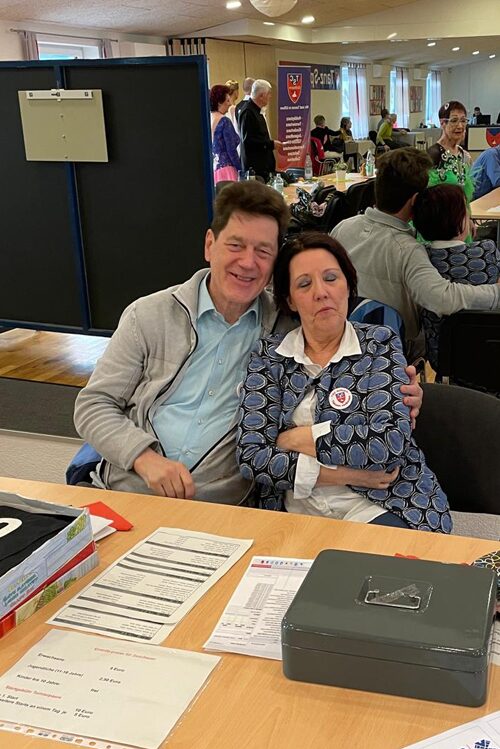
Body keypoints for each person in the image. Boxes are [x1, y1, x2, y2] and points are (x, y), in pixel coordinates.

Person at [74, 181, 422, 500]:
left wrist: (403, 391)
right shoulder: (150, 315)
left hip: (223, 506)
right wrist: (143, 458)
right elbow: (93, 405)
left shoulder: (286, 329)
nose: (248, 263)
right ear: (210, 245)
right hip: (129, 490)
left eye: (263, 251)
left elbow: (349, 344)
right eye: (236, 245)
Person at [236, 232, 451, 533]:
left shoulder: (379, 343)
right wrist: (349, 474)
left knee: (379, 562)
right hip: (297, 512)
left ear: (348, 284)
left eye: (331, 278)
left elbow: (389, 444)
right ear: (290, 300)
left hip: (381, 504)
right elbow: (252, 457)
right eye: (304, 284)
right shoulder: (270, 356)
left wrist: (298, 438)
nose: (321, 292)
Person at [330, 148, 500, 356]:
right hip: (394, 346)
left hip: (343, 336)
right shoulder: (408, 250)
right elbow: (442, 298)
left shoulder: (343, 228)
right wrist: (495, 293)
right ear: (415, 200)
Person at [412, 184, 500, 370]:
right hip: (491, 352)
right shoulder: (487, 250)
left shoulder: (420, 258)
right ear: (461, 221)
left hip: (443, 359)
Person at [427, 101, 473, 203]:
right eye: (454, 120)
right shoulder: (433, 154)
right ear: (442, 123)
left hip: (462, 210)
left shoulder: (463, 154)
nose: (460, 126)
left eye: (463, 120)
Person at [237, 79, 283, 181]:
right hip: (255, 169)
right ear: (261, 96)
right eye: (269, 94)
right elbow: (248, 140)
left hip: (263, 167)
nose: (270, 97)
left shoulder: (257, 111)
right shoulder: (248, 112)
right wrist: (271, 144)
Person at [210, 84, 241, 183]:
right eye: (227, 100)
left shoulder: (208, 119)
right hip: (227, 171)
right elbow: (231, 150)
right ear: (219, 102)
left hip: (213, 170)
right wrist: (241, 169)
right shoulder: (224, 121)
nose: (230, 104)